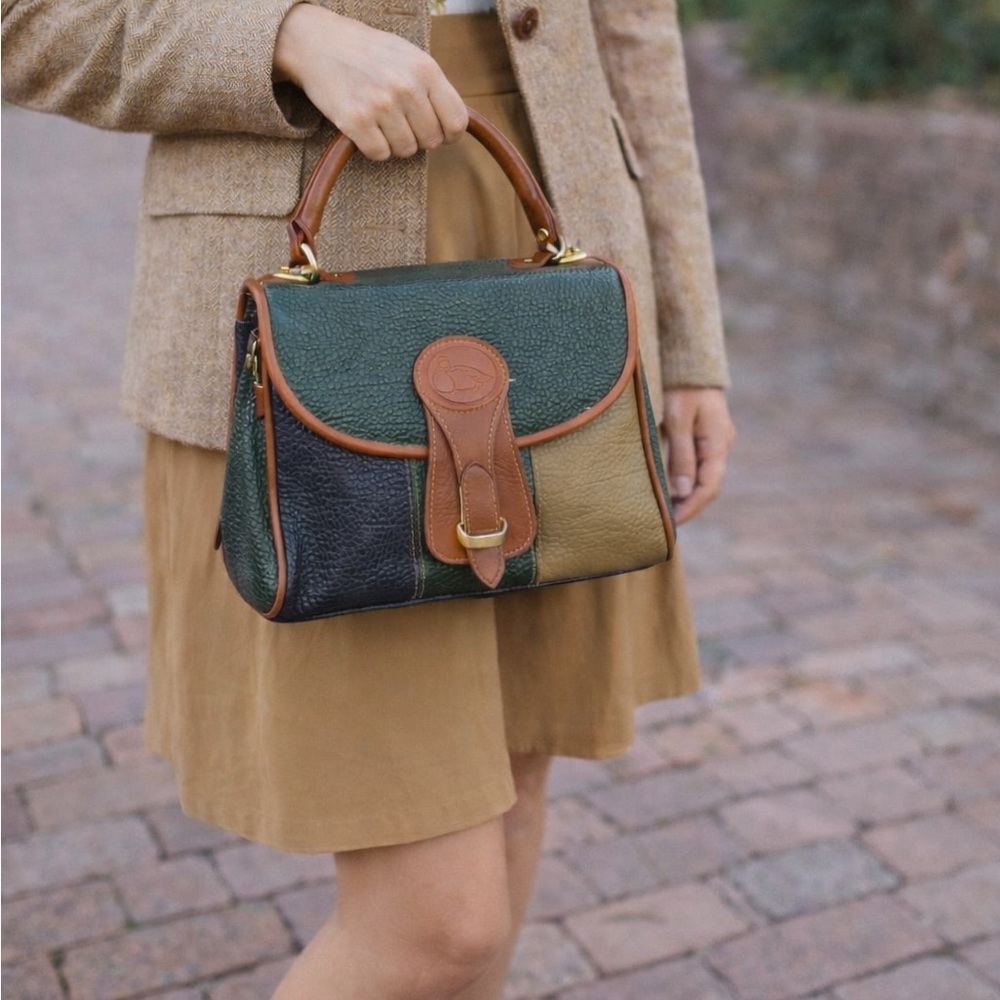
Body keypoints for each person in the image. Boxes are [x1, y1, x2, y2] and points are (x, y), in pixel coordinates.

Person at [2, 0, 736, 996]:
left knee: (513, 799)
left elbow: (637, 30)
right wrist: (287, 39)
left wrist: (689, 340)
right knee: (443, 926)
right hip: (301, 306)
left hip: (548, 247)